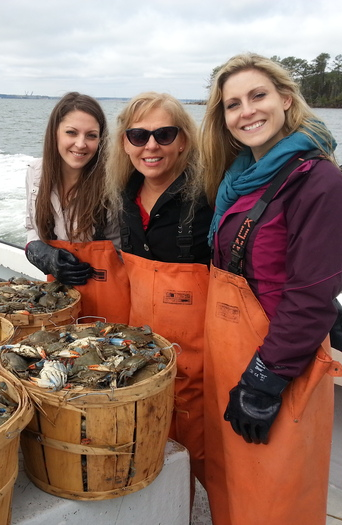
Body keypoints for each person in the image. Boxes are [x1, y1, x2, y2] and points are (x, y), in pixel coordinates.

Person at [199, 53, 342, 525]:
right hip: (231, 358)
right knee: (233, 488)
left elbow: (312, 295)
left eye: (258, 95)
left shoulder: (320, 182)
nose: (246, 111)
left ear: (286, 100)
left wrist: (266, 378)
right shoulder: (239, 178)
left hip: (277, 365)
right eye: (232, 104)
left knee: (276, 501)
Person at [105, 92, 213, 486]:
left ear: (184, 139)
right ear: (124, 143)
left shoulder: (210, 193)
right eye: (138, 135)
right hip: (142, 354)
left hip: (201, 360)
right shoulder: (122, 193)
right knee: (149, 446)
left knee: (198, 450)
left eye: (164, 134)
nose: (151, 145)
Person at [25, 92, 129, 323]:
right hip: (59, 297)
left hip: (110, 299)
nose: (81, 144)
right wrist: (39, 252)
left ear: (101, 140)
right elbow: (31, 226)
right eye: (71, 132)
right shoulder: (35, 173)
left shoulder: (114, 180)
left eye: (91, 136)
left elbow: (126, 250)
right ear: (55, 134)